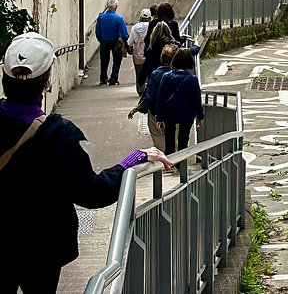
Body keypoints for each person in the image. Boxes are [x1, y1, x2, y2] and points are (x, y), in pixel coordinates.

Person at [0, 31, 173, 294]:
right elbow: (93, 192)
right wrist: (133, 159)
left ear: (5, 79)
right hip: (43, 249)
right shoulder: (58, 136)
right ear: (48, 80)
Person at [152, 48, 204, 155]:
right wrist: (200, 116)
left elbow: (160, 98)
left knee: (169, 140)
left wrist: (159, 117)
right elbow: (196, 100)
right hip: (187, 114)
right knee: (183, 140)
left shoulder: (166, 77)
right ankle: (181, 165)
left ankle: (169, 163)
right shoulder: (192, 79)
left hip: (169, 114)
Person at [128, 42, 179, 152]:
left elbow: (149, 96)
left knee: (158, 137)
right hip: (176, 112)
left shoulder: (156, 74)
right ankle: (176, 162)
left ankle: (162, 162)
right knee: (175, 138)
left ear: (162, 57)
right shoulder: (182, 74)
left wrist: (137, 108)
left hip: (157, 112)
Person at [94, 0, 128, 86]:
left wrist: (100, 39)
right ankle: (114, 78)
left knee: (104, 60)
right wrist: (125, 41)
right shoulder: (119, 18)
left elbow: (97, 31)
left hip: (104, 40)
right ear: (116, 7)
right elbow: (124, 33)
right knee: (117, 59)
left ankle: (103, 78)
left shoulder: (101, 17)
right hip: (116, 41)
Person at [129, 8, 152, 92]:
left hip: (137, 54)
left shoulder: (135, 28)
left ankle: (140, 90)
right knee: (149, 72)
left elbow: (130, 42)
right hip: (148, 52)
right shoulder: (151, 26)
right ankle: (148, 89)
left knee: (139, 73)